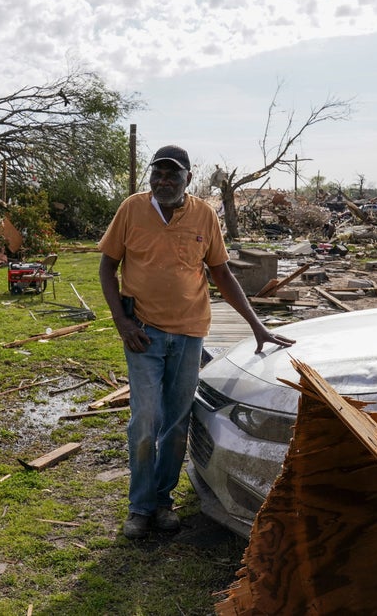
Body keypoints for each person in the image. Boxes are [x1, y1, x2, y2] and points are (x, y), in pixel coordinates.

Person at [98, 144, 295, 539]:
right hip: (143, 332)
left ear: (188, 178)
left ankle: (164, 500)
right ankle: (140, 507)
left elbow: (222, 274)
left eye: (172, 175)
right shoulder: (132, 209)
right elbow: (107, 265)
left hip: (190, 333)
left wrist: (257, 326)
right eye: (158, 174)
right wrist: (121, 322)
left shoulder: (204, 215)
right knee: (145, 420)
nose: (163, 181)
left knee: (176, 422)